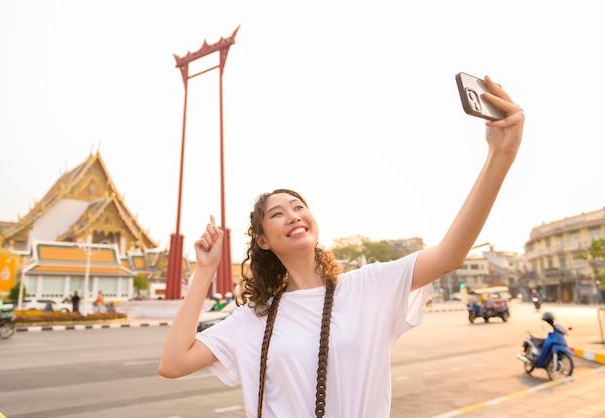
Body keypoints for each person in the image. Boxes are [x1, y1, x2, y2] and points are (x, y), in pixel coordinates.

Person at [158, 75, 524, 417]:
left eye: (299, 207)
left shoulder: (367, 287)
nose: (294, 215)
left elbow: (449, 255)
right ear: (263, 241)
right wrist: (205, 270)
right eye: (278, 213)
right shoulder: (253, 319)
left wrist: (500, 156)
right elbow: (172, 363)